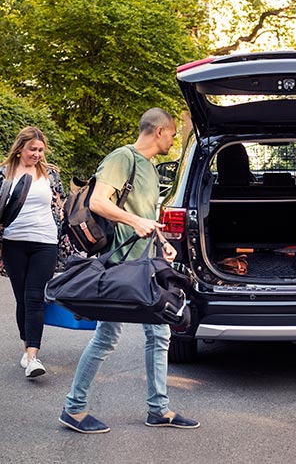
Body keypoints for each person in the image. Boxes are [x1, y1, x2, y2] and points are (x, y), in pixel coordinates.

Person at [58, 108, 200, 434]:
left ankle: (158, 409)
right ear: (159, 131)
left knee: (160, 333)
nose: (175, 138)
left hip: (144, 264)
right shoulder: (123, 158)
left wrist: (162, 242)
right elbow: (98, 201)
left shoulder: (149, 167)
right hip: (119, 266)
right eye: (173, 133)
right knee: (107, 337)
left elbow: (144, 214)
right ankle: (73, 408)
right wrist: (135, 222)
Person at [0, 127, 67, 379]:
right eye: (32, 149)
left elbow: (60, 205)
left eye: (40, 150)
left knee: (33, 297)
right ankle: (26, 346)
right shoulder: (3, 174)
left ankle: (32, 357)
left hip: (44, 241)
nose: (37, 154)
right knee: (21, 299)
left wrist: (63, 218)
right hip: (14, 242)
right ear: (19, 149)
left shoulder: (50, 174)